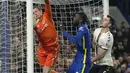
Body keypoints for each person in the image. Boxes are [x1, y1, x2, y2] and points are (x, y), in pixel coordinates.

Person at [33, 0, 59, 73]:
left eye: (36, 11)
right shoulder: (34, 24)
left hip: (52, 49)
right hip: (42, 49)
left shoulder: (47, 15)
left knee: (45, 72)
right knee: (47, 71)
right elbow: (38, 32)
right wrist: (33, 27)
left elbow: (47, 3)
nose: (35, 14)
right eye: (33, 13)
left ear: (41, 11)